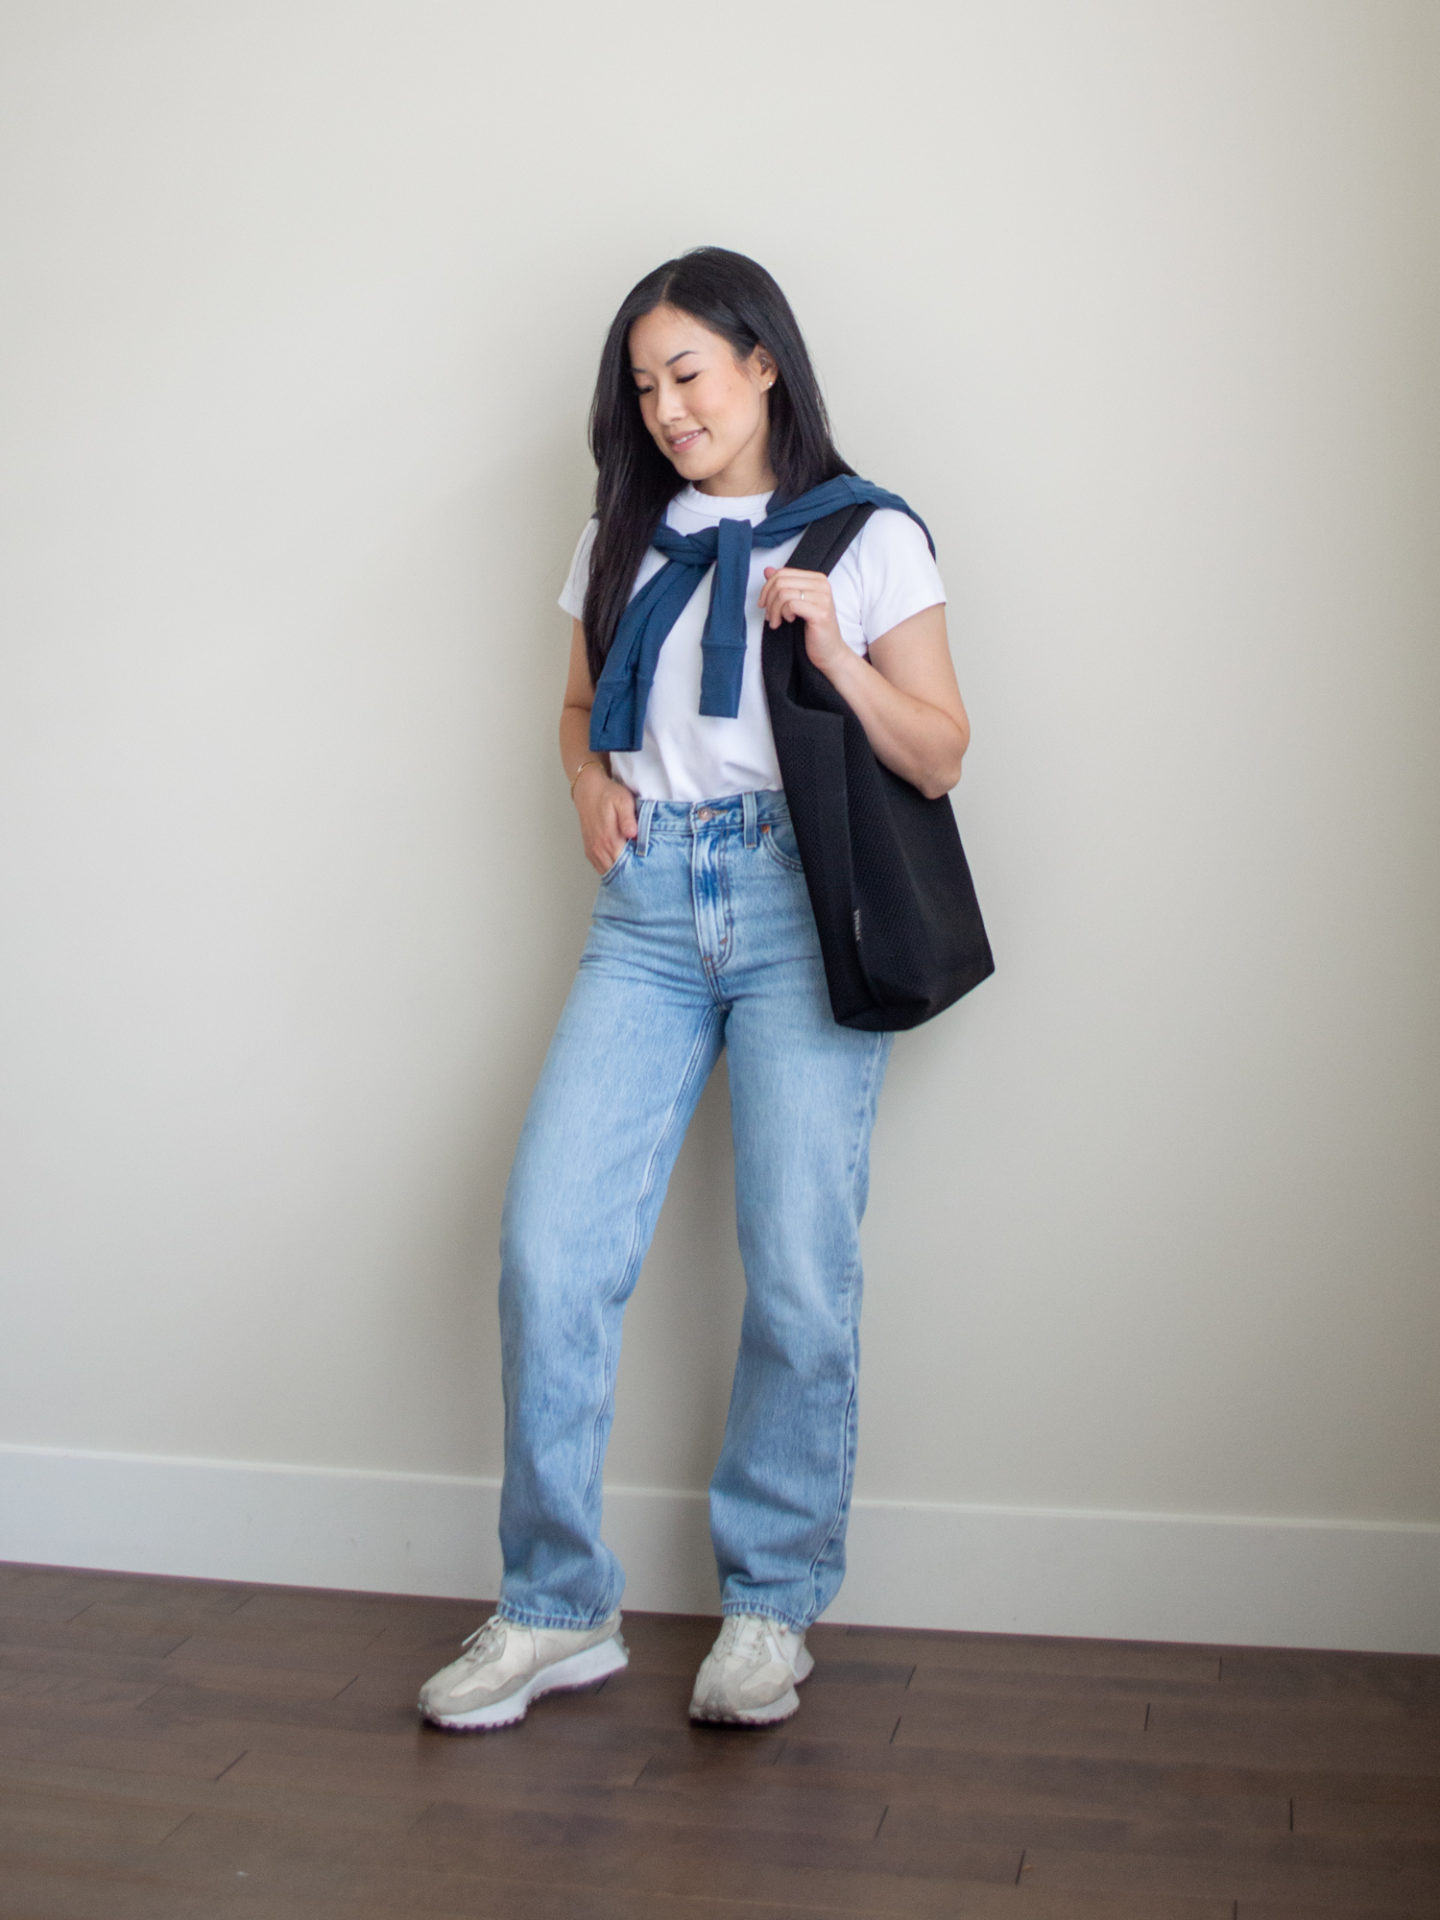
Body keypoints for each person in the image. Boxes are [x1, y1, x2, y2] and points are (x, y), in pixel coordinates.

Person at [419, 246, 969, 1733]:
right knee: (549, 1251)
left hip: (804, 906)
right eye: (646, 387)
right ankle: (555, 1608)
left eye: (691, 376)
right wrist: (589, 782)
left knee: (798, 1268)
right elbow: (570, 707)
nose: (668, 410)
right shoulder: (624, 537)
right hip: (652, 915)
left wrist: (836, 652)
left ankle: (771, 1608)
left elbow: (937, 750)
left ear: (764, 364)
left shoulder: (867, 534)